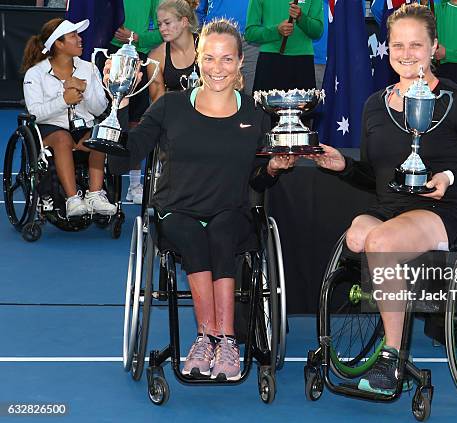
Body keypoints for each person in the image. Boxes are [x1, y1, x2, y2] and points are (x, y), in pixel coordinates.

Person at [307, 4, 457, 394]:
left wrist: (450, 177)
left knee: (380, 242)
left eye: (416, 44)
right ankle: (392, 309)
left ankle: (391, 358)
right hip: (390, 207)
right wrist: (341, 166)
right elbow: (375, 176)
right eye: (397, 44)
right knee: (357, 237)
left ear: (434, 47)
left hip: (441, 208)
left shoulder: (456, 100)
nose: (405, 52)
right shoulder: (374, 105)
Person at [107, 19, 296, 380]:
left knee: (222, 232)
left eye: (227, 60)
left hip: (231, 211)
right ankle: (205, 337)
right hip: (176, 212)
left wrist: (273, 167)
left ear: (241, 62)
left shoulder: (256, 118)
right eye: (209, 58)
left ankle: (225, 341)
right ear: (197, 58)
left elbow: (258, 180)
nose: (217, 69)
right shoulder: (170, 107)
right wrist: (119, 104)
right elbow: (120, 161)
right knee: (192, 234)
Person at [22, 18, 117, 218]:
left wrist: (86, 89)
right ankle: (73, 199)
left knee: (100, 137)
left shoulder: (89, 68)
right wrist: (64, 100)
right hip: (49, 130)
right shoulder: (35, 74)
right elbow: (35, 113)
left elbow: (100, 107)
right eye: (73, 36)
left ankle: (94, 195)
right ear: (58, 43)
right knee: (63, 139)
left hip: (82, 129)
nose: (80, 39)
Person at [111, 0, 164, 205]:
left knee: (134, 124)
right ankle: (100, 186)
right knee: (105, 121)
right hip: (106, 52)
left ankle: (134, 185)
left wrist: (137, 37)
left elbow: (163, 31)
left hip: (137, 56)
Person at [245, 0, 324, 92]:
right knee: (264, 106)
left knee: (303, 106)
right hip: (270, 60)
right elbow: (250, 33)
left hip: (302, 61)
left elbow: (317, 32)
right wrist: (276, 31)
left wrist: (301, 17)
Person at [197, 0, 260, 95]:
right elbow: (199, 7)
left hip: (250, 39)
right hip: (215, 38)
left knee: (251, 93)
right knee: (214, 85)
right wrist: (204, 30)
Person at [147, 0, 200, 102]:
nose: (162, 28)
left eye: (167, 23)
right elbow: (158, 104)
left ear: (184, 22)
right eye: (159, 24)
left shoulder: (206, 46)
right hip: (174, 114)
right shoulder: (155, 57)